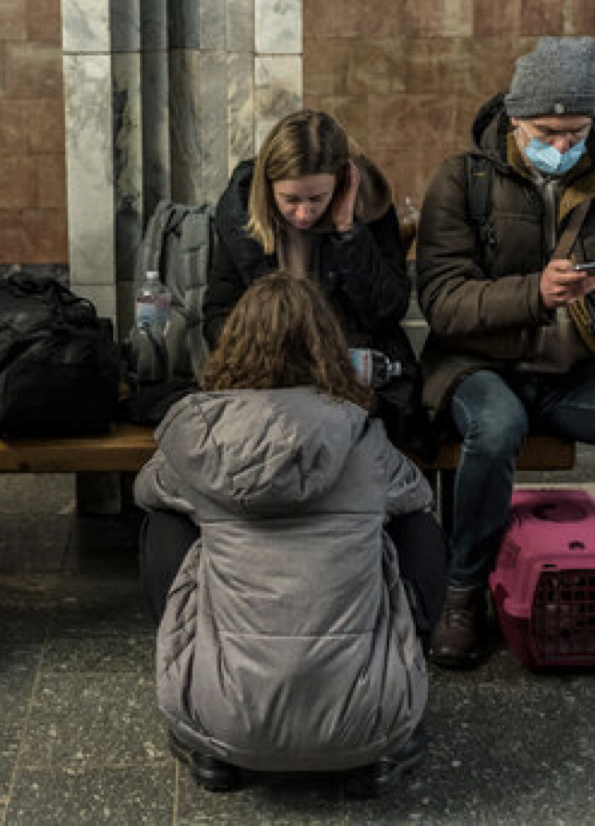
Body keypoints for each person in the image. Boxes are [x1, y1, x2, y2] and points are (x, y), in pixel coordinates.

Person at [416, 36, 595, 669]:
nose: (566, 145)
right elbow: (442, 300)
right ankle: (464, 592)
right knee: (496, 427)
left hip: (579, 370)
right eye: (549, 131)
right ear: (515, 120)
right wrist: (535, 294)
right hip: (481, 368)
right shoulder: (463, 178)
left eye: (578, 131)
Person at [135, 272, 446, 796]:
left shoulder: (203, 439)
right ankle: (382, 726)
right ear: (330, 348)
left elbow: (147, 488)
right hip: (371, 718)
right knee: (416, 528)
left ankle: (212, 747)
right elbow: (417, 494)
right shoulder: (360, 435)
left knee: (164, 524)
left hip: (222, 718)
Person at [204, 110, 434, 459]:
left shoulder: (368, 207)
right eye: (291, 199)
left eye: (316, 198)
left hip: (352, 372)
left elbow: (387, 309)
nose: (303, 214)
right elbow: (217, 315)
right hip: (271, 373)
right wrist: (265, 346)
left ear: (341, 184)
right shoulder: (240, 220)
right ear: (268, 189)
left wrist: (348, 230)